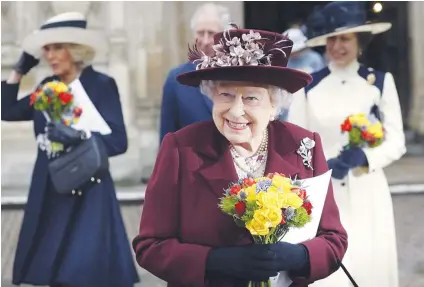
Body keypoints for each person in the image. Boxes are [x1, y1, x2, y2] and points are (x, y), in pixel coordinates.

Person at [132, 25, 348, 287]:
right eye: (226, 95)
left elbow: (333, 239)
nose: (236, 111)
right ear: (212, 95)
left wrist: (300, 256)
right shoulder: (180, 148)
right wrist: (216, 261)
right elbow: (150, 246)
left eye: (251, 98)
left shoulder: (304, 145)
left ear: (274, 106)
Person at [2, 12, 139, 287]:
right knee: (55, 272)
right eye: (47, 49)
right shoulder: (46, 87)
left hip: (89, 187)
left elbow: (118, 141)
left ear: (75, 50)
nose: (50, 56)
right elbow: (6, 110)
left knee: (84, 272)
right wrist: (18, 71)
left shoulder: (101, 85)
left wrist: (78, 136)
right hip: (50, 185)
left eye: (57, 48)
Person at [288, 2, 406, 287]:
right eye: (332, 39)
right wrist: (317, 168)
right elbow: (295, 142)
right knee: (333, 274)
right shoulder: (308, 86)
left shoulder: (378, 82)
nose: (337, 46)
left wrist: (365, 157)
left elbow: (397, 141)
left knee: (369, 267)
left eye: (345, 38)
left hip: (367, 191)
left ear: (359, 42)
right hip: (325, 190)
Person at [159, 3, 232, 143]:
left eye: (211, 34)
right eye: (200, 33)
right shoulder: (176, 79)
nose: (205, 41)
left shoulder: (239, 76)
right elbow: (166, 138)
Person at [277, 27, 325, 121]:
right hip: (287, 103)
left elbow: (322, 81)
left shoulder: (314, 59)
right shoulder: (283, 61)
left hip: (310, 99)